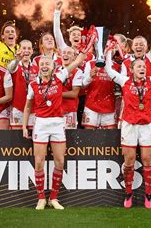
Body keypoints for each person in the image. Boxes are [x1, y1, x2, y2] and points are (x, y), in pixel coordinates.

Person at [105, 50, 151, 209]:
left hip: (146, 125)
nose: (142, 68)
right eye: (138, 66)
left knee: (147, 160)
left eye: (144, 66)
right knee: (129, 161)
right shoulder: (124, 81)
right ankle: (128, 193)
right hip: (129, 125)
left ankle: (148, 195)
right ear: (132, 69)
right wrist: (108, 54)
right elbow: (109, 71)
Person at [22, 45, 90, 210]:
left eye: (48, 64)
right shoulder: (33, 85)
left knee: (59, 162)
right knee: (39, 162)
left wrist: (86, 47)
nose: (45, 67)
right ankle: (40, 198)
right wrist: (25, 126)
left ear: (53, 67)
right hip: (41, 125)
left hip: (58, 123)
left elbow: (79, 60)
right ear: (39, 67)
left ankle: (53, 198)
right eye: (42, 65)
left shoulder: (60, 76)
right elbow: (27, 107)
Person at [82, 40, 120, 129]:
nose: (106, 50)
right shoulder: (90, 64)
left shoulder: (117, 67)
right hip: (91, 106)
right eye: (103, 47)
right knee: (89, 139)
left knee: (110, 140)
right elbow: (83, 85)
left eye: (109, 47)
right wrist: (90, 77)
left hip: (109, 107)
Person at [8, 40, 39, 130]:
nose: (26, 50)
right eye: (24, 48)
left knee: (32, 139)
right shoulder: (16, 65)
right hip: (18, 108)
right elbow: (10, 69)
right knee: (16, 138)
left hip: (33, 109)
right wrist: (17, 59)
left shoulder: (37, 68)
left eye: (29, 48)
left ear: (32, 51)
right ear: (19, 50)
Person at [61, 46, 84, 129]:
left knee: (69, 139)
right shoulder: (55, 70)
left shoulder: (78, 72)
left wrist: (55, 94)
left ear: (74, 57)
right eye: (64, 53)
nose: (65, 55)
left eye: (69, 53)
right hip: (55, 111)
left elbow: (74, 94)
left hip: (69, 111)